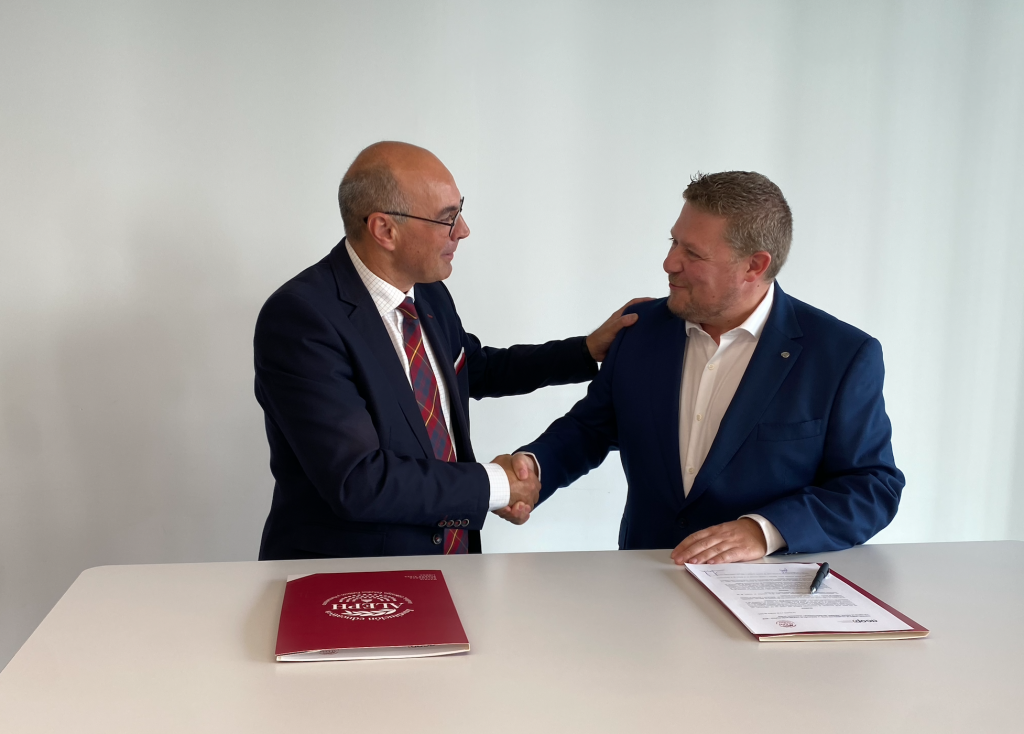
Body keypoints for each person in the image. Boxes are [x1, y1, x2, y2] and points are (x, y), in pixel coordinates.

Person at [255, 141, 643, 560]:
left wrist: (585, 350)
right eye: (447, 218)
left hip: (452, 565)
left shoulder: (429, 293)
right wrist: (497, 485)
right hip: (352, 576)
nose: (463, 230)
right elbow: (359, 481)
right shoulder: (301, 319)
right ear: (385, 230)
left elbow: (474, 367)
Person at [510, 171, 904, 562]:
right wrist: (532, 469)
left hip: (765, 587)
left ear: (754, 266)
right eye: (673, 242)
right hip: (645, 576)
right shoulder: (639, 329)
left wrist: (765, 530)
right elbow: (590, 430)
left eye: (693, 254)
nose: (669, 263)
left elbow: (871, 487)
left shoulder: (841, 355)